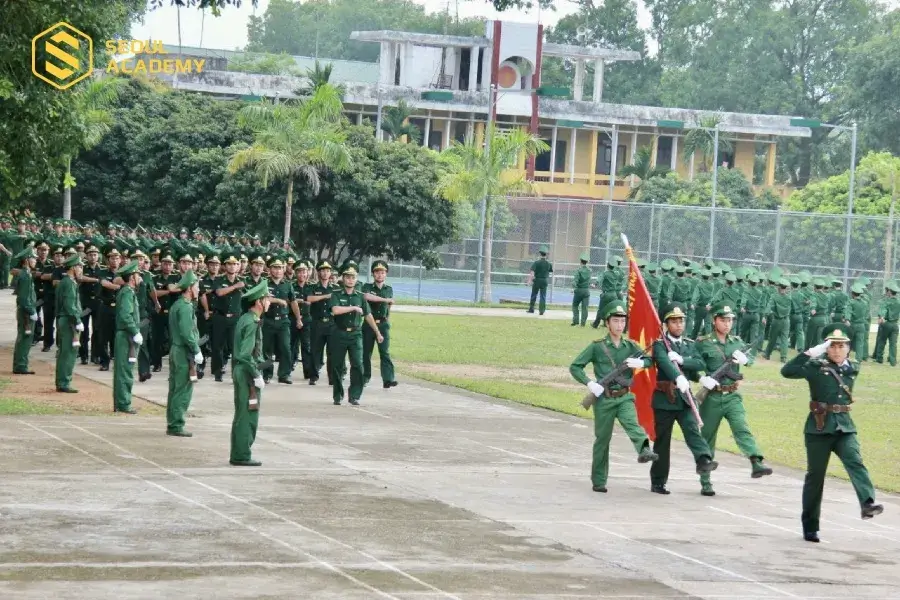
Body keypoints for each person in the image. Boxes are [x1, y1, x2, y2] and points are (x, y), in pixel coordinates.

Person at [780, 323, 883, 543]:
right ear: (826, 348)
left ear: (848, 348)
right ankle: (810, 526)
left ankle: (867, 503)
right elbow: (787, 371)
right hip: (819, 428)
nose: (836, 350)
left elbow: (844, 373)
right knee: (815, 478)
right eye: (832, 346)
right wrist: (810, 353)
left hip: (844, 426)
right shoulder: (814, 367)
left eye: (841, 346)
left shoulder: (852, 367)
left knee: (855, 461)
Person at [569, 301, 658, 493]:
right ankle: (599, 480)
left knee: (633, 425)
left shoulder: (630, 346)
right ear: (607, 323)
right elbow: (575, 367)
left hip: (624, 397)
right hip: (604, 399)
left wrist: (641, 364)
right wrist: (590, 383)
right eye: (616, 321)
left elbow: (650, 360)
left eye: (622, 321)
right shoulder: (597, 347)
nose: (619, 325)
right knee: (602, 440)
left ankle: (644, 450)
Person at [694, 303, 773, 496]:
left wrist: (745, 360)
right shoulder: (704, 343)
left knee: (741, 428)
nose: (727, 324)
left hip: (732, 396)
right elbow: (692, 364)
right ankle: (705, 482)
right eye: (723, 320)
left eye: (730, 320)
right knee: (707, 438)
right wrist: (701, 378)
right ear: (714, 321)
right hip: (711, 397)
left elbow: (751, 361)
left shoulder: (737, 342)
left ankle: (756, 461)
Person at [649, 303, 718, 494]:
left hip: (684, 399)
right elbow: (664, 362)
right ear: (666, 324)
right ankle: (658, 481)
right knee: (662, 443)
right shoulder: (660, 344)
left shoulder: (688, 344)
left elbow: (699, 363)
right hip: (665, 400)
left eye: (681, 321)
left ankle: (703, 460)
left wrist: (682, 360)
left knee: (692, 430)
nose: (679, 325)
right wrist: (677, 376)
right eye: (674, 321)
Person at [330, 262, 383, 405]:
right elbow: (335, 310)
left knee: (358, 365)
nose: (350, 280)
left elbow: (368, 315)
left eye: (353, 277)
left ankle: (354, 395)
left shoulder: (360, 296)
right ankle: (337, 395)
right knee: (337, 366)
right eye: (347, 277)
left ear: (356, 279)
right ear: (343, 278)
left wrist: (377, 332)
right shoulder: (336, 294)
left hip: (355, 334)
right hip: (339, 333)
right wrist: (353, 308)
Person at [230, 279, 269, 467]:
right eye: (266, 298)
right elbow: (245, 354)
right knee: (247, 415)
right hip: (247, 372)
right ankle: (242, 455)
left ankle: (239, 453)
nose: (269, 301)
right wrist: (256, 375)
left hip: (242, 370)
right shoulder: (252, 322)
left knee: (242, 414)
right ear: (259, 302)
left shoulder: (245, 318)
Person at [166, 270, 204, 437]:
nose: (198, 289)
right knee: (182, 389)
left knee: (175, 388)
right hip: (183, 351)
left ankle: (172, 422)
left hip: (176, 349)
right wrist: (196, 350)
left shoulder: (178, 304)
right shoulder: (186, 307)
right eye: (196, 286)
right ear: (189, 288)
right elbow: (187, 332)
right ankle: (176, 425)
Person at [262, 255, 300, 384]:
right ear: (269, 269)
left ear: (284, 269)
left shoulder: (288, 285)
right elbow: (262, 299)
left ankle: (284, 374)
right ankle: (266, 374)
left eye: (280, 268)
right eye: (275, 267)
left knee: (285, 347)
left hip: (283, 321)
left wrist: (298, 318)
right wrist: (277, 300)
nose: (278, 270)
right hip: (268, 320)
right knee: (267, 349)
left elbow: (293, 302)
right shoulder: (264, 283)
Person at [112, 260, 142, 414]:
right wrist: (135, 331)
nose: (140, 278)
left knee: (124, 369)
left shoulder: (128, 292)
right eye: (137, 275)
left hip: (126, 334)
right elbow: (125, 315)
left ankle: (121, 402)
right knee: (125, 371)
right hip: (126, 335)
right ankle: (123, 403)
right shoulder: (127, 293)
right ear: (132, 277)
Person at [362, 259, 397, 388]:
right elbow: (367, 297)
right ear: (373, 274)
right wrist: (385, 300)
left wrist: (387, 318)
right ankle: (364, 377)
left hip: (382, 324)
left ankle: (388, 379)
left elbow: (389, 307)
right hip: (369, 324)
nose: (380, 275)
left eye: (382, 272)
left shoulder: (389, 289)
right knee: (366, 352)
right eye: (377, 272)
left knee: (385, 352)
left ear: (386, 274)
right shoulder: (367, 287)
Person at [55, 252, 84, 393]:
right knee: (68, 353)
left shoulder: (67, 282)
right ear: (73, 268)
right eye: (80, 267)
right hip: (69, 321)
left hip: (67, 319)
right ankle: (64, 382)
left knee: (65, 352)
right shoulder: (69, 283)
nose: (81, 270)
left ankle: (62, 381)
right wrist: (77, 320)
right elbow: (69, 305)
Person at [13, 246, 39, 375]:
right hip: (26, 312)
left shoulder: (26, 273)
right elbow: (23, 298)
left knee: (23, 338)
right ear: (27, 260)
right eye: (33, 258)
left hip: (25, 311)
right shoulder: (25, 276)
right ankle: (21, 366)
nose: (35, 260)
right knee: (24, 339)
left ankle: (20, 364)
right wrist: (31, 311)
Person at [762, 278, 792, 363]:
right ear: (785, 288)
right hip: (786, 320)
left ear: (778, 287)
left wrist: (765, 316)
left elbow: (769, 306)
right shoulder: (789, 297)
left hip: (777, 320)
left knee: (772, 338)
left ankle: (767, 354)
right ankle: (783, 357)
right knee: (784, 339)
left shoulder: (774, 296)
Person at [872, 281, 899, 366]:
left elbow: (883, 310)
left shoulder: (886, 301)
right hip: (895, 324)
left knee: (882, 341)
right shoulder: (898, 301)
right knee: (893, 344)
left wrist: (882, 317)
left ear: (890, 292)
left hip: (886, 323)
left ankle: (879, 358)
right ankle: (893, 361)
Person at [526, 245, 553, 315]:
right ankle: (541, 311)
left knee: (534, 294)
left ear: (540, 254)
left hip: (537, 280)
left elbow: (532, 272)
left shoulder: (536, 262)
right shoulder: (548, 264)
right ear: (546, 255)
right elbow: (550, 271)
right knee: (543, 296)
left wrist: (530, 280)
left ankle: (531, 309)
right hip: (544, 280)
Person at [571, 252, 591, 327]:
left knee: (575, 305)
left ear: (580, 261)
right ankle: (583, 323)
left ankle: (576, 321)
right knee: (585, 308)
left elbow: (575, 280)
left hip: (579, 290)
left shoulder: (578, 270)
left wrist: (573, 287)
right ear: (587, 262)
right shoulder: (589, 270)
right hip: (586, 291)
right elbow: (589, 281)